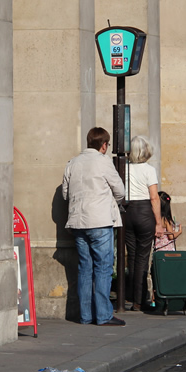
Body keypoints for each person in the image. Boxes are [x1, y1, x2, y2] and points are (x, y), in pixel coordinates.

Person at [62, 127, 127, 327]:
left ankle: (85, 315)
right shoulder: (103, 162)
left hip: (78, 221)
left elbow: (65, 194)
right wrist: (109, 202)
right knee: (103, 267)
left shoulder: (72, 163)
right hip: (99, 221)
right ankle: (103, 315)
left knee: (84, 268)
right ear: (104, 145)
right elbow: (120, 190)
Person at [124, 135, 163, 313]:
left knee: (131, 256)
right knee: (142, 257)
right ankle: (139, 300)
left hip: (127, 212)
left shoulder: (123, 168)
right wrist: (159, 222)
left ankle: (133, 296)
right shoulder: (149, 170)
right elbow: (154, 197)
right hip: (144, 212)